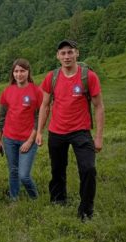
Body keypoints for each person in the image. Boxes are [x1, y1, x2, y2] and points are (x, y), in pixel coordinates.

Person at [36, 39, 105, 221]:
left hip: (81, 131)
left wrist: (98, 137)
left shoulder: (88, 76)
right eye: (63, 53)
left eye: (70, 52)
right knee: (57, 169)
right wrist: (39, 132)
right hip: (56, 132)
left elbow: (99, 107)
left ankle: (86, 210)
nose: (66, 56)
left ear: (77, 53)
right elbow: (44, 105)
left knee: (88, 169)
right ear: (58, 56)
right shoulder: (52, 77)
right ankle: (58, 200)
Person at [0, 58, 42, 201]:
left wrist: (30, 140)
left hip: (28, 139)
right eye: (16, 71)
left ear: (28, 72)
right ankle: (14, 199)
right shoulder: (7, 91)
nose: (19, 74)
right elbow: (1, 117)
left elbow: (39, 118)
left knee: (24, 175)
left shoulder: (36, 91)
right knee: (13, 171)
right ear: (12, 73)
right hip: (9, 138)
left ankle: (35, 198)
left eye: (22, 71)